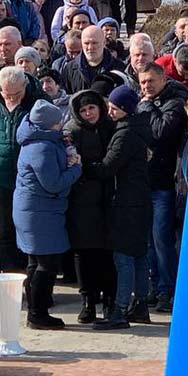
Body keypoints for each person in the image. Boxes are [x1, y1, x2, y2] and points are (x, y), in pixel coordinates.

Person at [13, 99, 81, 329]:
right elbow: (53, 183)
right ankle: (38, 313)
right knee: (47, 263)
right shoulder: (42, 147)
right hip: (40, 212)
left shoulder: (38, 140)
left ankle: (36, 310)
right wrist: (75, 169)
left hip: (35, 210)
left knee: (35, 261)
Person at [95, 85, 153, 330]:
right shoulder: (141, 128)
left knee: (123, 257)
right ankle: (140, 305)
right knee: (139, 255)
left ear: (125, 110)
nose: (109, 111)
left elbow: (108, 167)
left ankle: (119, 310)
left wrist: (83, 165)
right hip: (141, 201)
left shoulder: (125, 134)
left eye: (114, 107)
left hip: (126, 203)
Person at [0, 66, 41, 272]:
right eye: (7, 94)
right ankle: (10, 276)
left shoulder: (38, 102)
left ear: (25, 86)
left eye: (17, 94)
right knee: (5, 231)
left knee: (29, 229)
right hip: (2, 178)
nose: (12, 98)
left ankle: (31, 278)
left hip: (30, 179)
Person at [136, 63, 188, 312]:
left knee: (161, 239)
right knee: (147, 241)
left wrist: (146, 106)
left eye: (150, 82)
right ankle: (154, 287)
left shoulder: (174, 104)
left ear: (163, 80)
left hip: (164, 184)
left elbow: (159, 132)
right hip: (143, 183)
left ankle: (167, 288)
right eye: (143, 82)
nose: (146, 87)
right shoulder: (143, 103)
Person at [64, 88, 117, 323]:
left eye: (92, 108)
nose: (88, 113)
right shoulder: (72, 132)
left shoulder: (110, 127)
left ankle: (109, 299)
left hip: (108, 199)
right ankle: (88, 300)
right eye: (83, 110)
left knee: (107, 252)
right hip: (81, 200)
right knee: (83, 253)